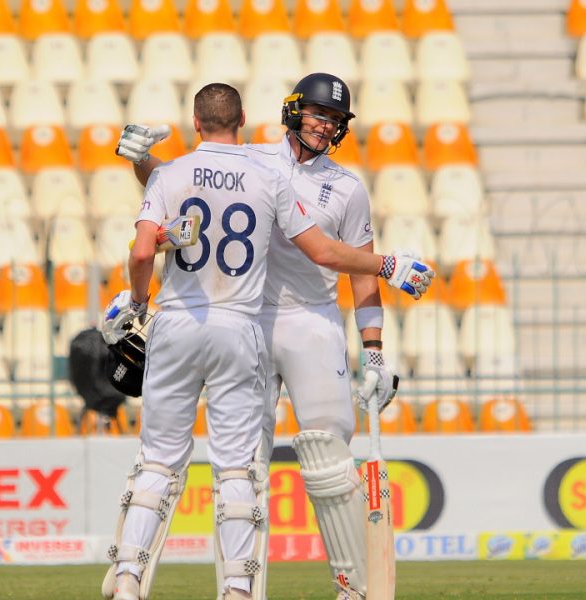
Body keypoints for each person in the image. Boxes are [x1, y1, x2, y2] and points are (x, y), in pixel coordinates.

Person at [101, 83, 433, 600]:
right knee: (244, 465)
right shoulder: (255, 161)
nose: (325, 124)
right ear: (293, 112)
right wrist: (143, 164)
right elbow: (189, 191)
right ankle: (241, 589)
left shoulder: (347, 187)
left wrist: (373, 348)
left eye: (335, 119)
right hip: (249, 319)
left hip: (309, 321)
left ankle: (353, 587)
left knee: (328, 456)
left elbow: (357, 276)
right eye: (319, 113)